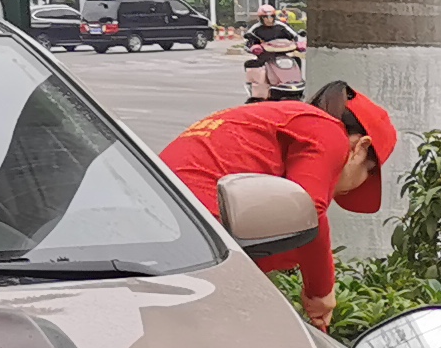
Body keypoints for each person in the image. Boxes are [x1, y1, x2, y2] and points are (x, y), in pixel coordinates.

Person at [158, 79, 397, 329]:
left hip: (161, 218)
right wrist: (321, 291)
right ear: (361, 149)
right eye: (369, 173)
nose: (354, 188)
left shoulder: (277, 116)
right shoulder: (329, 132)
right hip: (197, 232)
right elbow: (304, 213)